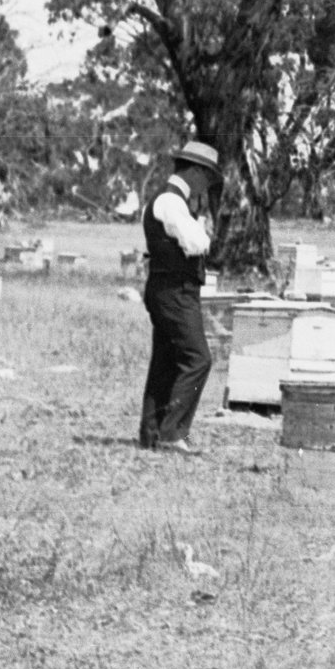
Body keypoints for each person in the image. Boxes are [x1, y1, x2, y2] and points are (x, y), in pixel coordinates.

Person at [138, 139, 220, 454]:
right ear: (195, 172)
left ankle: (152, 433)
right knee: (198, 359)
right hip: (176, 292)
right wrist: (204, 227)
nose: (206, 185)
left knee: (166, 361)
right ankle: (173, 433)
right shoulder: (173, 203)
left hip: (164, 288)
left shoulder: (163, 199)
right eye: (207, 177)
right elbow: (197, 243)